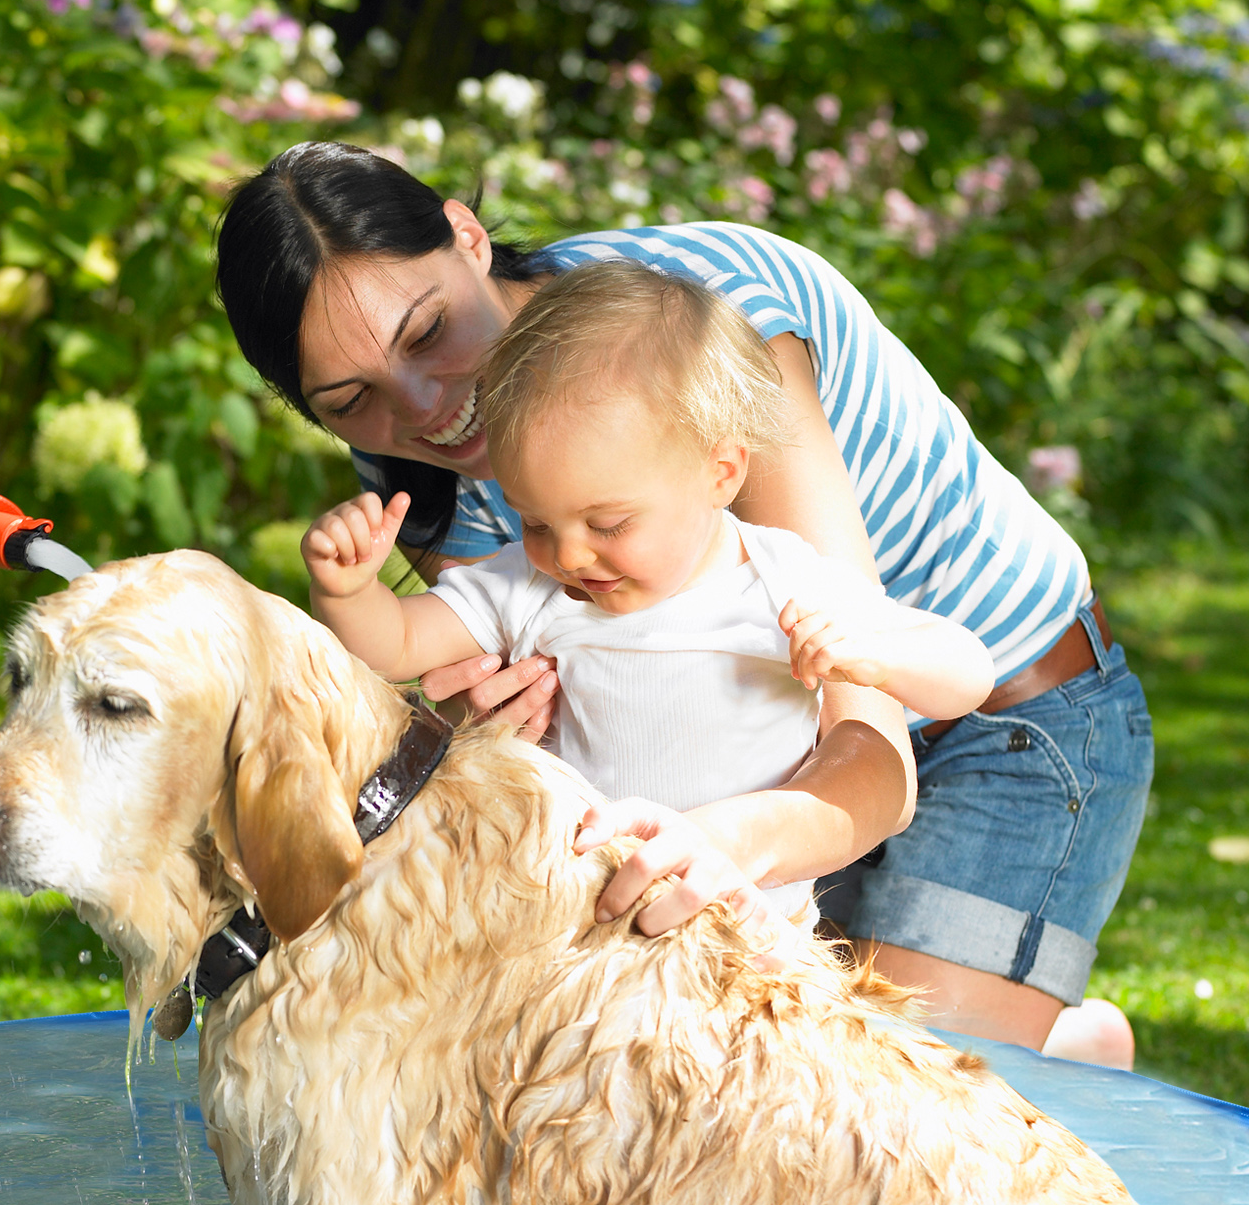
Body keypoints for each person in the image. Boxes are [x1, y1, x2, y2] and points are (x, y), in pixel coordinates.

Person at [214, 142, 1150, 1069]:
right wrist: (483, 720)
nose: (425, 407)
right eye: (350, 398)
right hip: (753, 760)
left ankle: (1053, 1048)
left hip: (997, 722)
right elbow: (504, 660)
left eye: (426, 335)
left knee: (899, 1092)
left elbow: (870, 734)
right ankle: (1044, 1034)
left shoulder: (696, 334)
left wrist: (730, 840)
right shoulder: (413, 464)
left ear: (466, 237)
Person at [305, 260, 995, 926]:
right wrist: (347, 590)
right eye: (536, 520)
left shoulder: (781, 578)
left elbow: (966, 674)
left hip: (743, 927)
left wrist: (880, 653)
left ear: (720, 473)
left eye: (608, 524)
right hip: (578, 924)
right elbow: (393, 644)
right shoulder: (533, 585)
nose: (569, 554)